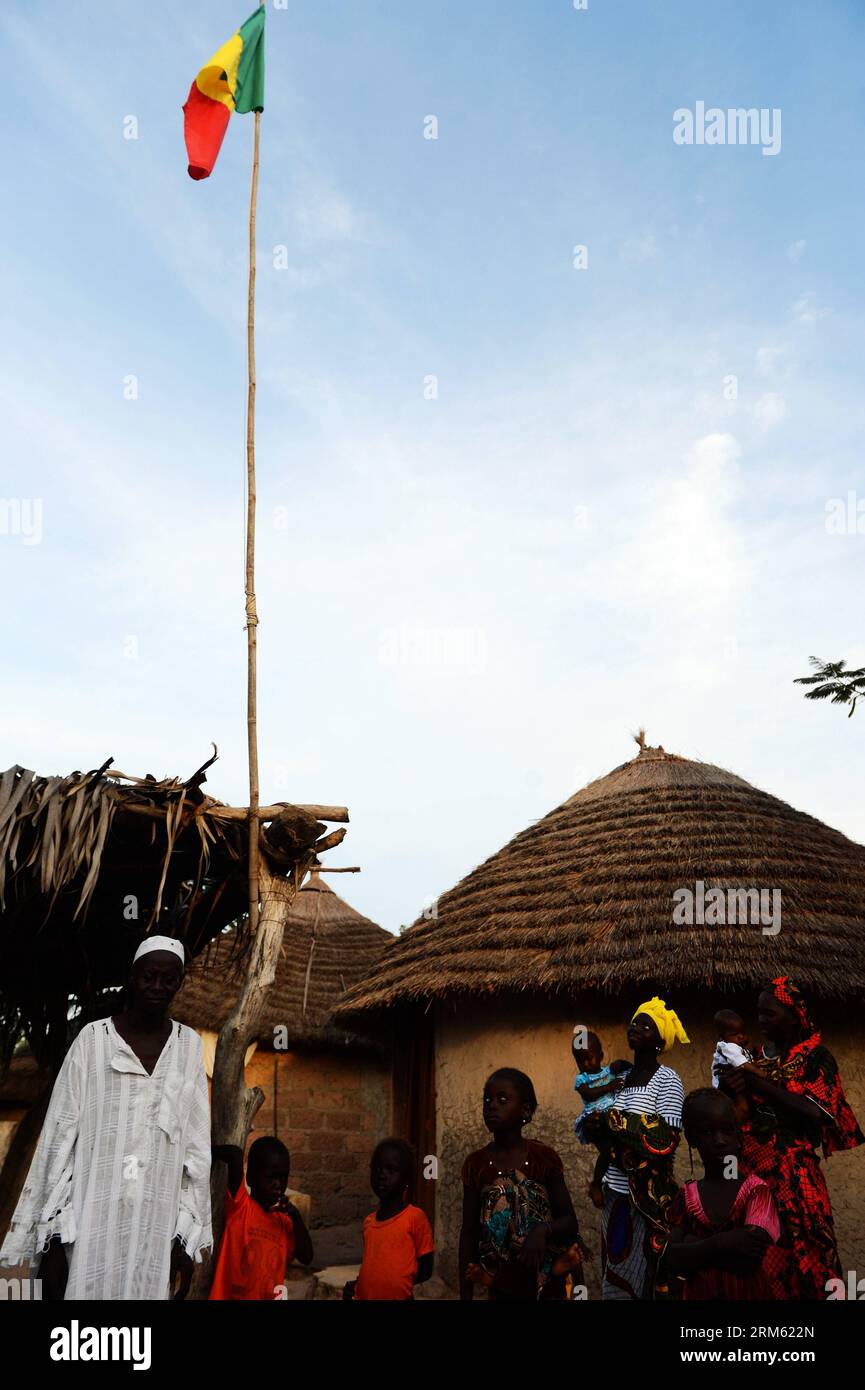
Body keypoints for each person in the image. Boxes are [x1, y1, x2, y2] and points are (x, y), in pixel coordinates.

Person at [0, 936, 211, 1300]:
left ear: (179, 983)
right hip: (89, 1226)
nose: (158, 987)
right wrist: (52, 1237)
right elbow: (59, 1140)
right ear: (132, 977)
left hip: (154, 1233)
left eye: (169, 978)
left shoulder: (188, 1047)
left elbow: (195, 1149)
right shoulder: (93, 1042)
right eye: (149, 977)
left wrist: (184, 1238)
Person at [723, 976, 863, 1299]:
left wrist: (758, 1085)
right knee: (759, 1272)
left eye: (769, 1013)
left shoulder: (817, 1059)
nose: (761, 1020)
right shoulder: (749, 1058)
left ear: (794, 1015)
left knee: (814, 1267)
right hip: (752, 1179)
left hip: (798, 1181)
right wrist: (729, 1086)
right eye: (758, 1013)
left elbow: (819, 1114)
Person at [582, 996, 689, 1300]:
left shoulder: (668, 1080)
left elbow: (664, 1140)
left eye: (646, 1024)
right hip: (615, 1193)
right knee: (615, 1271)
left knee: (647, 1273)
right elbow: (612, 1138)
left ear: (661, 1040)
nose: (636, 1026)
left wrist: (612, 1123)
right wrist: (595, 1128)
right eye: (635, 1021)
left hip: (648, 1199)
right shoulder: (619, 1078)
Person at [459, 1067, 582, 1301]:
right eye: (487, 1100)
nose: (491, 1105)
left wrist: (542, 1230)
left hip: (546, 1287)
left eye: (502, 1099)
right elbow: (469, 1234)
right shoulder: (476, 1165)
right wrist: (465, 1296)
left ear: (525, 1110)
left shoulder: (544, 1159)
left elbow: (569, 1222)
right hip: (501, 1287)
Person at [663, 1088, 781, 1299]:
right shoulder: (687, 1196)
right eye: (707, 1132)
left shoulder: (756, 1191)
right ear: (691, 1138)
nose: (719, 1140)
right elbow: (669, 1258)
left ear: (738, 1135)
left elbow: (749, 1261)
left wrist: (692, 1244)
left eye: (726, 1130)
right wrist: (723, 1243)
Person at [209, 1136, 313, 1300]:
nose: (278, 1184)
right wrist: (203, 1150)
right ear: (251, 1177)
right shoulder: (241, 1206)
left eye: (283, 1178)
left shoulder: (284, 1222)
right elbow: (234, 1154)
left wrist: (295, 1215)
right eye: (270, 1177)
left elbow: (306, 1257)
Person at [343, 1138, 434, 1300]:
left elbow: (426, 1268)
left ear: (406, 1180)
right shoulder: (369, 1222)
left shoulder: (415, 1217)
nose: (382, 1175)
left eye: (391, 1170)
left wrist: (397, 1282)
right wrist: (358, 1285)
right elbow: (373, 1267)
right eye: (377, 1168)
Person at [571, 1026, 631, 1208]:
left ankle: (618, 1180)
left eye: (589, 1058)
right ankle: (596, 1184)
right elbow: (588, 1095)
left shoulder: (608, 1071)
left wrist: (625, 1066)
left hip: (612, 1117)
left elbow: (624, 1066)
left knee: (616, 1148)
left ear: (601, 1055)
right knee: (607, 1151)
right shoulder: (581, 1080)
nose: (586, 1064)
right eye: (580, 1061)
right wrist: (609, 1087)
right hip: (594, 1119)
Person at [711, 1009, 753, 1088]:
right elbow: (742, 1064)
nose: (741, 1036)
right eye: (735, 1034)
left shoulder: (737, 1046)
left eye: (743, 1033)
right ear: (722, 1037)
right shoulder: (728, 1047)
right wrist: (761, 1073)